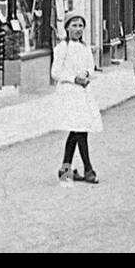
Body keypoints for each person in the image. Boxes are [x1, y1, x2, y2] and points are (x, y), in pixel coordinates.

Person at [51, 10, 102, 183]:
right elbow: (55, 72)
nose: (78, 29)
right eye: (74, 25)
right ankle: (89, 169)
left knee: (76, 130)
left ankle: (65, 170)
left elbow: (91, 67)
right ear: (66, 28)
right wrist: (74, 78)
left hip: (83, 93)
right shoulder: (62, 48)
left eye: (81, 26)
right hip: (69, 93)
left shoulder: (85, 48)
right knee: (80, 130)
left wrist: (87, 75)